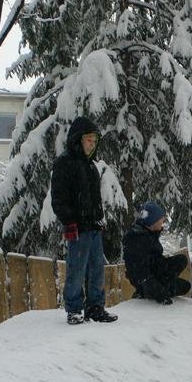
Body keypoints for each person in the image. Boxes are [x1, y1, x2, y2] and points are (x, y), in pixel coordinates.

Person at [51, 116, 118, 325]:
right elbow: (58, 199)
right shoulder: (64, 164)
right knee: (76, 269)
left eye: (94, 140)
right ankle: (74, 309)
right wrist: (69, 221)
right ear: (78, 139)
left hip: (94, 227)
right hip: (77, 227)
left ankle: (95, 307)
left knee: (97, 268)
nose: (92, 144)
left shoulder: (91, 167)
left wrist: (99, 219)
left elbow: (95, 199)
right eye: (89, 139)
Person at [122, 201, 191, 305]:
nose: (162, 222)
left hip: (155, 273)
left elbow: (155, 258)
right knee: (183, 285)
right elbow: (141, 272)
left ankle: (158, 286)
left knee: (182, 265)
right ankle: (146, 292)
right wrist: (159, 293)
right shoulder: (138, 239)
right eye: (160, 219)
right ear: (153, 221)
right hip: (146, 280)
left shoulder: (148, 233)